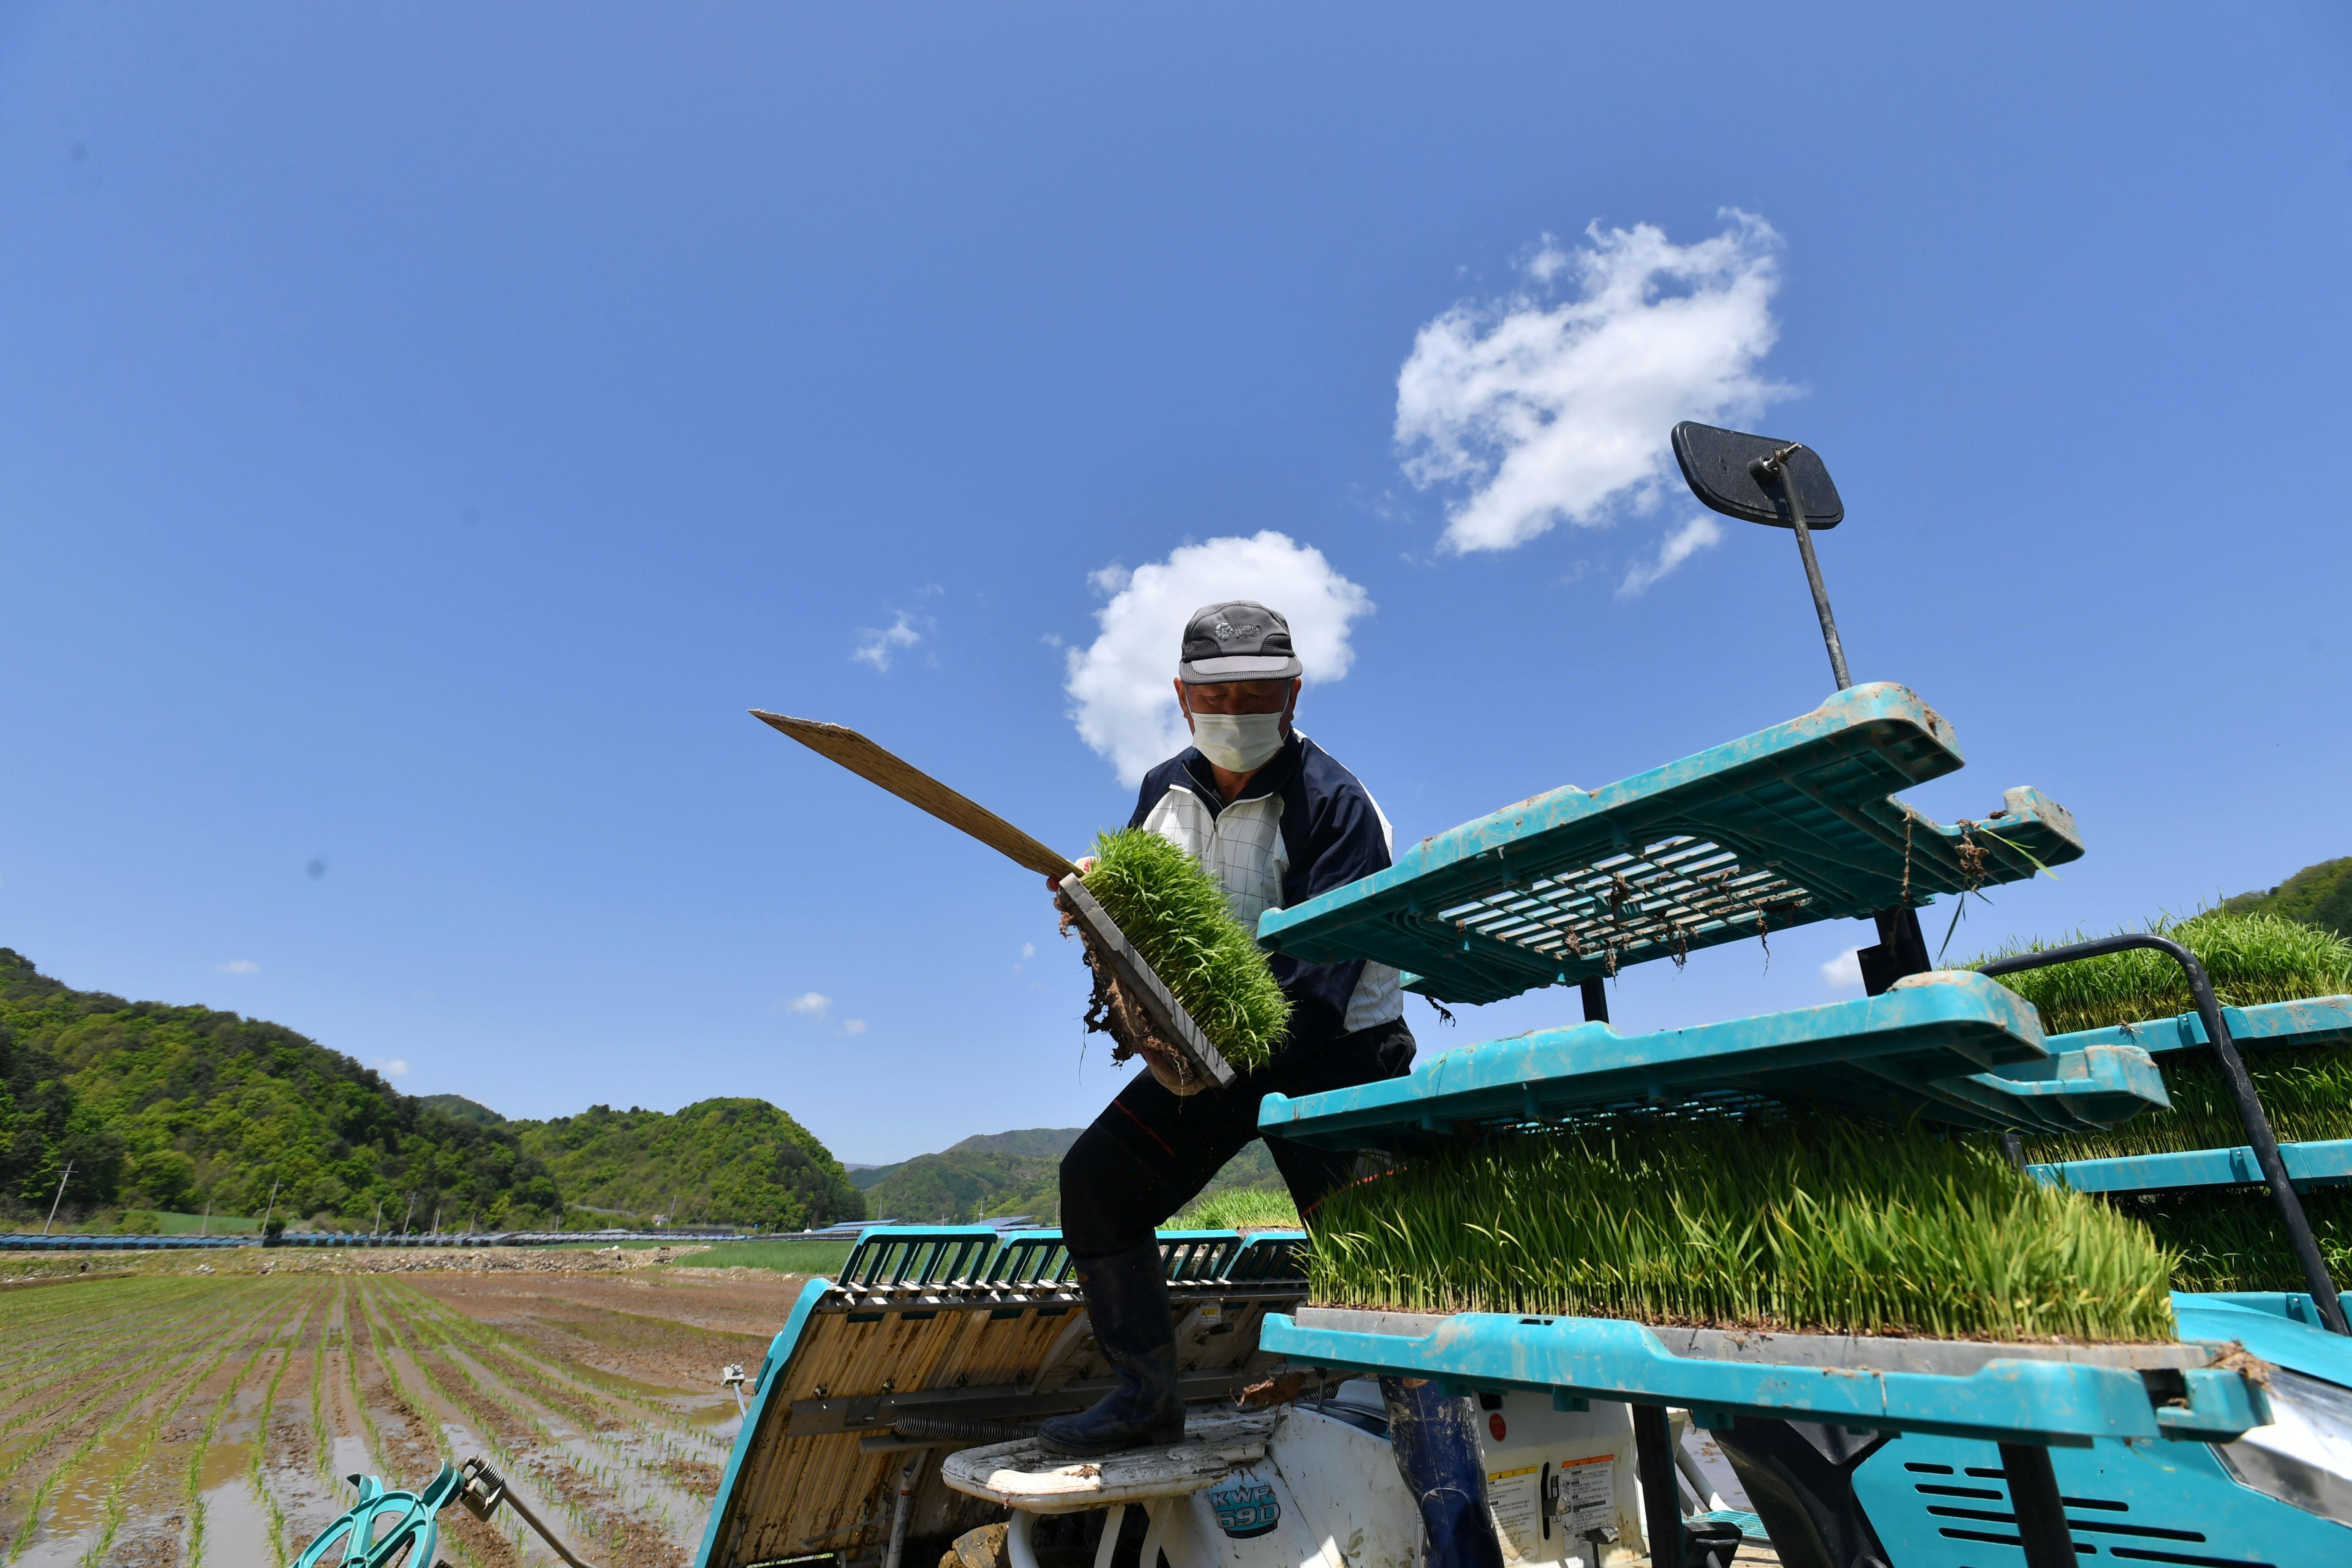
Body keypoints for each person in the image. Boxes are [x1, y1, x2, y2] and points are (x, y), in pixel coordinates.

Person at [1037, 599, 1416, 1458]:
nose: (1238, 708)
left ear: (1294, 693)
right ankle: (1144, 1397)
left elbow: (1320, 989)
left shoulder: (1336, 804)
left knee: (1381, 1260)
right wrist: (1095, 902)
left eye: (1260, 691)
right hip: (1209, 1054)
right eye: (1218, 694)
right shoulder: (1161, 792)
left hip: (1337, 1052)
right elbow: (1144, 919)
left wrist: (1219, 1058)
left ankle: (1435, 1461)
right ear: (1182, 695)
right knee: (1095, 1183)